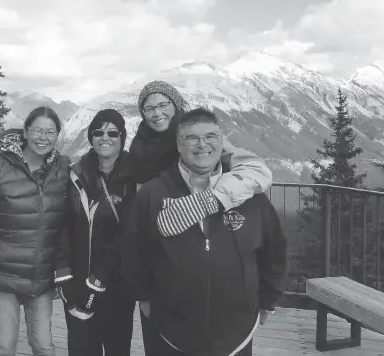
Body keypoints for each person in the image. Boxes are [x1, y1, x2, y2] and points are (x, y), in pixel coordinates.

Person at [121, 107, 288, 356]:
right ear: (179, 145)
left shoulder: (250, 197)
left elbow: (274, 250)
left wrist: (269, 298)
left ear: (222, 143)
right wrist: (143, 296)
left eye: (210, 137)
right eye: (192, 138)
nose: (202, 145)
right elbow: (133, 251)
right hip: (170, 332)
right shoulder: (153, 194)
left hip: (237, 332)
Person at [0, 106, 71, 356]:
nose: (44, 138)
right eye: (38, 131)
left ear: (57, 136)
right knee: (4, 345)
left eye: (50, 132)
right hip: (3, 274)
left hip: (42, 275)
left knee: (44, 345)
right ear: (25, 131)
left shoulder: (63, 169)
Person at [54, 109, 138, 356]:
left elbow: (130, 233)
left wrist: (100, 277)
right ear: (90, 137)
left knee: (116, 348)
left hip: (117, 284)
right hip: (78, 282)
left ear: (122, 138)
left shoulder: (134, 179)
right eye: (98, 132)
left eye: (113, 132)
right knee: (81, 349)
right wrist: (62, 273)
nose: (105, 137)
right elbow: (62, 225)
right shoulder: (75, 175)